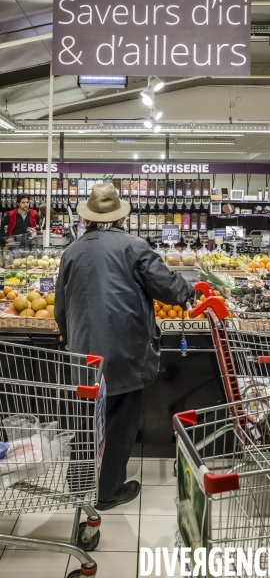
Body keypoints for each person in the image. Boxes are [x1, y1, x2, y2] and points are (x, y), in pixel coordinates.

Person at [55, 182, 194, 510]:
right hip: (123, 350)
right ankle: (108, 492)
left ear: (87, 219)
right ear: (120, 218)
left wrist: (68, 334)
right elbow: (166, 286)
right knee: (118, 421)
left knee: (86, 418)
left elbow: (60, 306)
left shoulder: (70, 251)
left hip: (83, 354)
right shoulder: (133, 246)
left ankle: (79, 483)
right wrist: (189, 293)